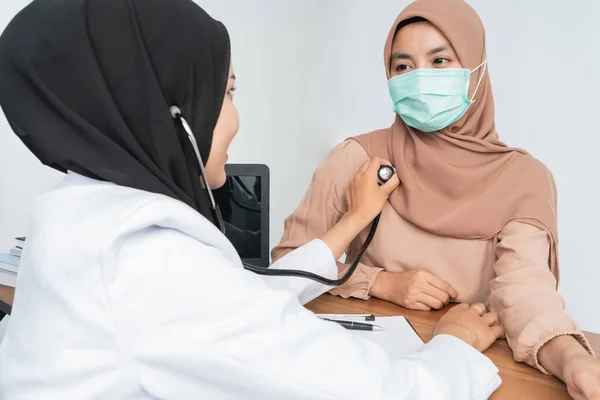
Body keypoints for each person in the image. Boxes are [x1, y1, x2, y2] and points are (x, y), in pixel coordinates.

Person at [0, 0, 505, 398]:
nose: (236, 119)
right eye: (226, 94)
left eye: (440, 61)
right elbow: (386, 393)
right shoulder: (142, 264)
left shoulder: (84, 215)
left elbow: (236, 300)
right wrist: (455, 347)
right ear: (170, 111)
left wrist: (353, 222)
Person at [272, 0, 600, 399]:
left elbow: (525, 295)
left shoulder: (524, 178)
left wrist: (573, 360)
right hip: (365, 369)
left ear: (476, 70)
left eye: (440, 60)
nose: (419, 79)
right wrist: (383, 283)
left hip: (469, 370)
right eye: (403, 67)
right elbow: (288, 263)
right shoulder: (357, 159)